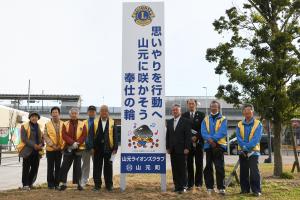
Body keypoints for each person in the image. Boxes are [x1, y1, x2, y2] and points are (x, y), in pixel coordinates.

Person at [201, 100, 227, 195]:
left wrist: (213, 140)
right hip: (208, 146)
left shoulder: (223, 119)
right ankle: (209, 187)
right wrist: (210, 140)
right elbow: (203, 132)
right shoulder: (205, 119)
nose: (213, 108)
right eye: (212, 106)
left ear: (218, 108)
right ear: (210, 107)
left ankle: (221, 188)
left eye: (215, 106)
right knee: (208, 167)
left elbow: (223, 131)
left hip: (219, 146)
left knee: (219, 167)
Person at [58, 107, 87, 191]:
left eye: (75, 113)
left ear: (78, 115)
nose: (74, 115)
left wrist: (77, 143)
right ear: (70, 115)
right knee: (65, 166)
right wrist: (72, 143)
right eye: (72, 113)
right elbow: (64, 135)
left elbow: (84, 135)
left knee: (78, 167)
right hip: (68, 147)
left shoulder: (82, 124)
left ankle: (78, 184)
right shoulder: (65, 123)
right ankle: (63, 183)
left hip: (78, 148)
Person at [236, 104, 262, 197]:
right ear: (243, 112)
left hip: (254, 151)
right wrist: (244, 148)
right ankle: (244, 189)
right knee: (243, 171)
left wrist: (246, 147)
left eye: (249, 110)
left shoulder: (258, 123)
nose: (247, 112)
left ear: (252, 111)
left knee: (254, 171)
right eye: (245, 110)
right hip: (242, 151)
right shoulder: (239, 124)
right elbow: (238, 137)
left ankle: (256, 190)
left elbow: (256, 138)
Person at [166, 104, 191, 194]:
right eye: (173, 110)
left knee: (182, 169)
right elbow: (168, 135)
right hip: (172, 149)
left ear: (180, 111)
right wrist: (168, 147)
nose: (175, 111)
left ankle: (183, 186)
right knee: (174, 168)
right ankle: (177, 186)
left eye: (176, 110)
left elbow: (188, 136)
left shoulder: (186, 121)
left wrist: (187, 147)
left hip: (182, 149)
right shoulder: (169, 122)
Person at [93, 105, 118, 191]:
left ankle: (109, 185)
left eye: (106, 111)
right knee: (97, 167)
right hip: (97, 149)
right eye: (102, 111)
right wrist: (92, 147)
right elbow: (91, 135)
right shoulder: (95, 122)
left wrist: (115, 148)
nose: (104, 112)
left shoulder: (112, 122)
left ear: (108, 112)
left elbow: (115, 135)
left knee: (108, 168)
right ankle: (97, 185)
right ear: (100, 112)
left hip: (108, 148)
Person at [182, 99, 205, 190]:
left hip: (199, 143)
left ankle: (199, 184)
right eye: (189, 104)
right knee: (189, 164)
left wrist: (197, 137)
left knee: (199, 164)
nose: (191, 105)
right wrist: (190, 138)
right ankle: (190, 184)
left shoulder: (202, 115)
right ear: (187, 105)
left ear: (196, 105)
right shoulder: (184, 115)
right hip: (188, 144)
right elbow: (183, 129)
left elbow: (203, 128)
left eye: (193, 104)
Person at [17, 111, 44, 190]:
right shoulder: (24, 126)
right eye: (32, 116)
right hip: (27, 151)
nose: (34, 118)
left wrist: (41, 144)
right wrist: (34, 145)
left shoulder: (40, 126)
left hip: (37, 151)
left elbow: (42, 138)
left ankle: (30, 183)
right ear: (29, 117)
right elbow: (24, 139)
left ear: (38, 118)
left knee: (35, 168)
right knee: (26, 168)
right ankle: (25, 185)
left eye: (36, 116)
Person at [43, 107, 64, 190]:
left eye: (56, 112)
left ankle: (57, 183)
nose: (55, 114)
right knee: (50, 167)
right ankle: (50, 184)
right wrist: (52, 145)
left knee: (58, 167)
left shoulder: (63, 124)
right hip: (50, 149)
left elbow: (65, 135)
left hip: (59, 149)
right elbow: (45, 135)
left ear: (59, 114)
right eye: (53, 112)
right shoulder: (47, 124)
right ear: (51, 114)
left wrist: (60, 146)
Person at [81, 105, 98, 187]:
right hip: (85, 147)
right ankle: (84, 180)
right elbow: (81, 135)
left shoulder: (99, 122)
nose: (91, 112)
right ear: (87, 112)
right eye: (90, 111)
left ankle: (96, 181)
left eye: (93, 111)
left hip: (96, 148)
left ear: (95, 112)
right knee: (85, 165)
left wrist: (94, 147)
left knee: (97, 165)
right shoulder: (83, 122)